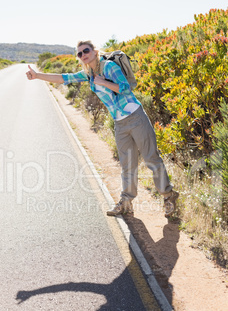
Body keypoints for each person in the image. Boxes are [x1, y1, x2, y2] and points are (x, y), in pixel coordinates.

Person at [26, 40, 179, 218]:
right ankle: (126, 202)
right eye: (79, 54)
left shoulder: (109, 67)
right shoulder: (88, 74)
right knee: (127, 165)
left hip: (135, 117)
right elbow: (64, 78)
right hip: (120, 123)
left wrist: (103, 82)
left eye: (86, 51)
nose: (83, 55)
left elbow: (125, 87)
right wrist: (37, 76)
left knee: (151, 158)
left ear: (94, 51)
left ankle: (168, 196)